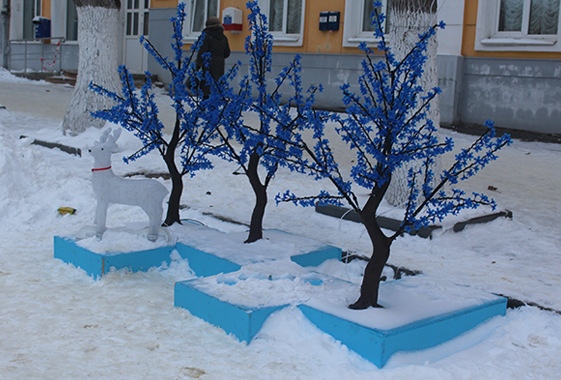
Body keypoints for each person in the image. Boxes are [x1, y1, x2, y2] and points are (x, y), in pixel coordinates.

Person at [195, 16, 231, 98]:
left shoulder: (206, 37)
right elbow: (227, 53)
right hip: (220, 66)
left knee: (206, 87)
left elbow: (202, 52)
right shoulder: (224, 38)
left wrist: (197, 65)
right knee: (217, 86)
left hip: (208, 66)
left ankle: (205, 106)